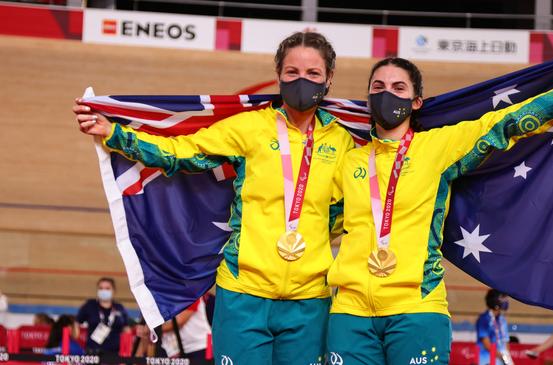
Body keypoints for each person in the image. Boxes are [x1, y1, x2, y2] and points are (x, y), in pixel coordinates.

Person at [73, 31, 354, 364]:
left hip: (310, 300)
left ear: (329, 78)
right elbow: (181, 152)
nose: (301, 81)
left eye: (313, 74)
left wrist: (312, 245)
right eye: (292, 73)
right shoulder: (250, 128)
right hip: (243, 294)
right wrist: (116, 134)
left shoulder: (341, 142)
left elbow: (344, 212)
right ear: (278, 73)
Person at [326, 43, 553, 365]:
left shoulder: (438, 147)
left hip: (416, 309)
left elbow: (505, 123)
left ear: (416, 102)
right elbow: (316, 221)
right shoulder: (349, 161)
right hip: (349, 313)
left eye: (398, 87)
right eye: (378, 87)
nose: (386, 93)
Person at [76, 277, 129, 356]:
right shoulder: (90, 305)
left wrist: (126, 353)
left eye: (107, 288)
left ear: (113, 291)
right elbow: (76, 323)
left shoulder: (119, 308)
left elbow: (126, 330)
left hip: (115, 355)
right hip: (92, 354)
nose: (104, 291)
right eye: (101, 288)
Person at [476, 290, 512, 365]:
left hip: (501, 360)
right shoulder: (484, 319)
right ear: (495, 301)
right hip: (486, 360)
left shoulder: (502, 320)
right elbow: (486, 344)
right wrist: (502, 356)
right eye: (502, 298)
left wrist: (507, 358)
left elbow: (505, 341)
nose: (505, 301)